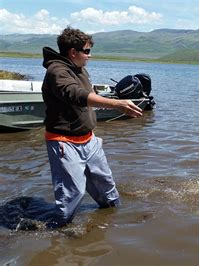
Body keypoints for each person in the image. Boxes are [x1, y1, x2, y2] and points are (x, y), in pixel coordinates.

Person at [41, 27, 142, 228]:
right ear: (72, 52)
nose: (90, 55)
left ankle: (115, 220)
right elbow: (74, 94)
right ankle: (58, 233)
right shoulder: (57, 71)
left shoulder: (80, 69)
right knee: (73, 193)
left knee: (107, 187)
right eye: (86, 51)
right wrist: (117, 104)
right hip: (64, 143)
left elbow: (86, 97)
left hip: (89, 140)